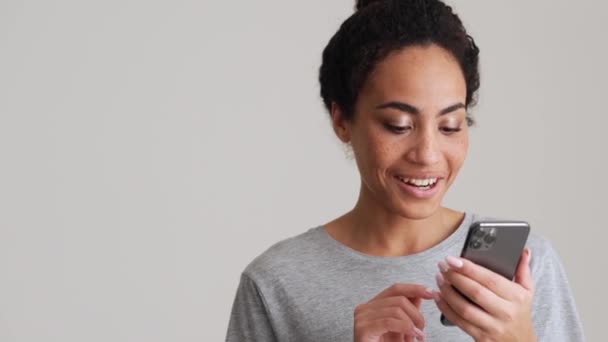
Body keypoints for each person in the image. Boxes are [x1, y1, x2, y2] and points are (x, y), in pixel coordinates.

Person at [225, 0, 585, 341]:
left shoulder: (525, 268)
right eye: (398, 125)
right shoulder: (276, 283)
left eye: (450, 126)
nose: (428, 154)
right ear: (342, 120)